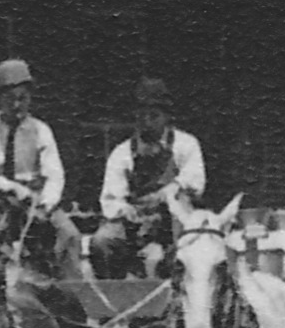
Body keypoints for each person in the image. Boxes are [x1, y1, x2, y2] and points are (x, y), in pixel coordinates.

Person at [0, 58, 81, 272]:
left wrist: (45, 205)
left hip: (34, 205)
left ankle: (71, 298)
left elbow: (55, 176)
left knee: (69, 235)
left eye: (22, 98)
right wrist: (14, 189)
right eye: (10, 99)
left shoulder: (41, 130)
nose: (17, 105)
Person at [91, 77, 212, 275]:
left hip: (175, 221)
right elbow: (111, 199)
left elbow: (195, 181)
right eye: (141, 116)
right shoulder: (122, 153)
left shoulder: (186, 144)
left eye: (153, 116)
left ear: (166, 116)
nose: (147, 122)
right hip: (136, 224)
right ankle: (112, 298)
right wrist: (127, 211)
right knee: (102, 242)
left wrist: (165, 195)